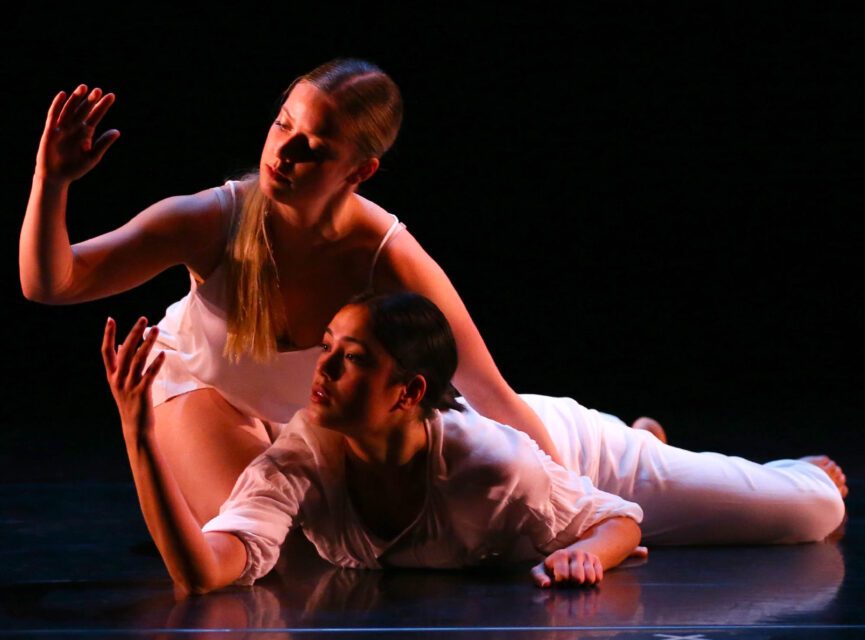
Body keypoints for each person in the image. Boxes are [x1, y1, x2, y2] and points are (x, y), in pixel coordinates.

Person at [19, 59, 565, 524]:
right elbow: (52, 283)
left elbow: (488, 391)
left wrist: (577, 516)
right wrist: (52, 180)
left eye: (316, 147)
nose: (285, 152)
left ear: (360, 170)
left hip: (314, 423)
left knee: (409, 528)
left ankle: (640, 434)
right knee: (272, 541)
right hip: (204, 389)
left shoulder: (387, 256)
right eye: (283, 126)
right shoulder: (210, 220)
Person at [102, 293, 846, 595]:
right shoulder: (304, 454)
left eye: (351, 357)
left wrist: (592, 550)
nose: (320, 370)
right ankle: (647, 433)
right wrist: (140, 433)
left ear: (408, 391)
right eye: (326, 346)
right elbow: (203, 574)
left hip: (567, 450)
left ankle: (669, 445)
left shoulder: (493, 463)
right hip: (529, 503)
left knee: (810, 516)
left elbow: (618, 515)